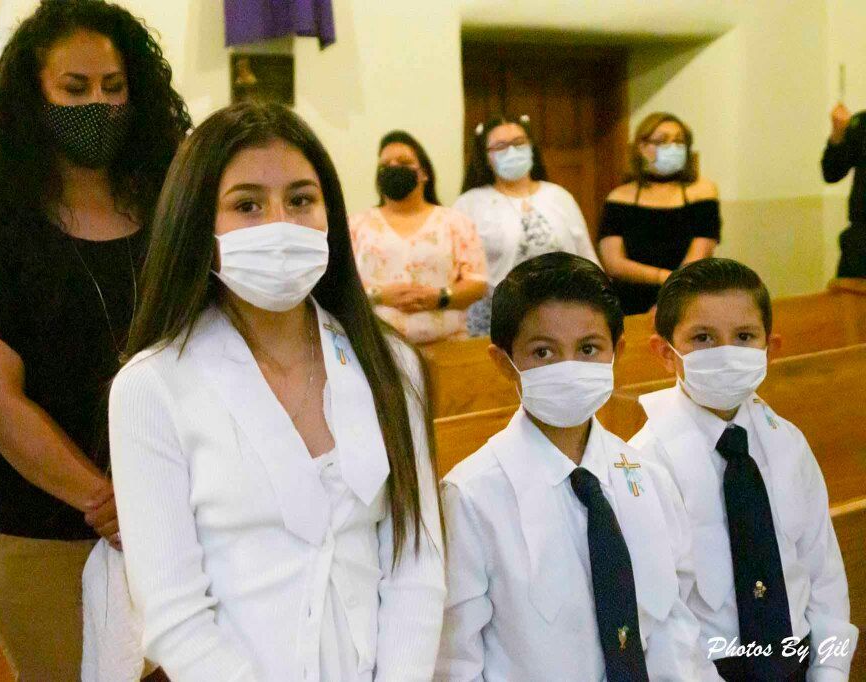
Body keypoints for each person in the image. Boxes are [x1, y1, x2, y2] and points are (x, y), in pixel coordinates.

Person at [105, 102, 446, 680]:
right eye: (246, 205)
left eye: (301, 200)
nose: (280, 225)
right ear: (198, 225)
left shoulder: (391, 364)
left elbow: (416, 559)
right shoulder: (153, 385)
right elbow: (174, 615)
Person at [0, 0, 191, 677]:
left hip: (179, 522)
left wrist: (156, 506)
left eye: (112, 87)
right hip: (46, 535)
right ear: (34, 97)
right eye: (75, 90)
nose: (97, 105)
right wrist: (105, 501)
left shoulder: (171, 206)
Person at [436, 252, 719, 681]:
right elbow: (456, 662)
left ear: (615, 352)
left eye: (588, 349)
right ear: (503, 361)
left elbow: (677, 626)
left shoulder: (646, 476)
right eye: (544, 351)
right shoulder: (472, 497)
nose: (569, 368)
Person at [631, 258, 858, 680]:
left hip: (799, 660)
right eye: (703, 338)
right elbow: (663, 620)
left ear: (769, 348)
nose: (726, 352)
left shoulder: (787, 442)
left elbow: (822, 574)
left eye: (743, 337)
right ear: (665, 353)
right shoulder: (646, 462)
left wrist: (828, 670)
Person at [454, 115, 599, 336]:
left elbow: (587, 256)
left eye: (519, 143)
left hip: (564, 315)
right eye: (501, 146)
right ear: (485, 157)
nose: (512, 152)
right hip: (498, 321)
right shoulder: (470, 204)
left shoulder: (559, 196)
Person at [349, 130, 486, 344]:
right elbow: (340, 284)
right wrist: (379, 296)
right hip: (376, 350)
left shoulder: (455, 222)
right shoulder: (356, 225)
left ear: (424, 173)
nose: (393, 168)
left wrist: (440, 297)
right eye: (385, 165)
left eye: (403, 161)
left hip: (447, 348)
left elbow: (478, 283)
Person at [599, 112, 720, 315]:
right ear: (641, 147)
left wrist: (670, 297)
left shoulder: (703, 191)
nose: (672, 147)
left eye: (679, 141)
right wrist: (664, 277)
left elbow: (700, 254)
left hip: (686, 297)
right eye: (662, 141)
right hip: (630, 303)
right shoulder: (618, 197)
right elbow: (613, 263)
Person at [822, 102, 866, 277]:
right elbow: (831, 173)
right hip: (860, 242)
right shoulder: (861, 123)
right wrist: (838, 132)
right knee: (847, 300)